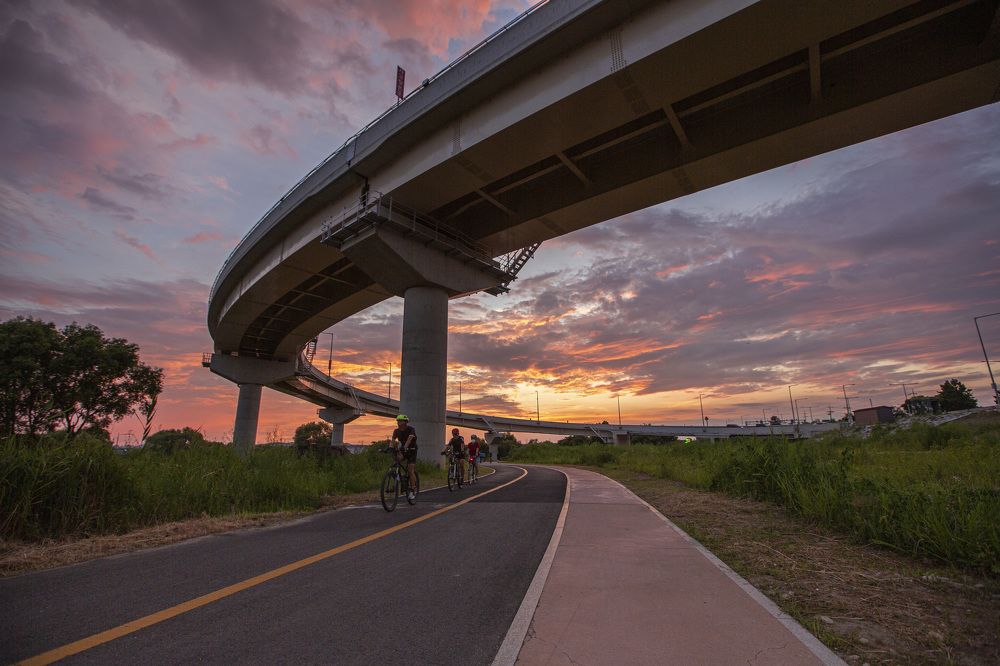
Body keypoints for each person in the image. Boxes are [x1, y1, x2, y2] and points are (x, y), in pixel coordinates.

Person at [391, 414, 418, 500]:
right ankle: (397, 480)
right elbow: (392, 440)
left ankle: (412, 489)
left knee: (410, 470)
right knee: (396, 461)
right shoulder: (396, 431)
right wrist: (390, 447)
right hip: (403, 450)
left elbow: (409, 439)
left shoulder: (411, 429)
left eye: (400, 420)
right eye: (397, 420)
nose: (398, 422)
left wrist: (404, 447)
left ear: (405, 422)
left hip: (412, 450)